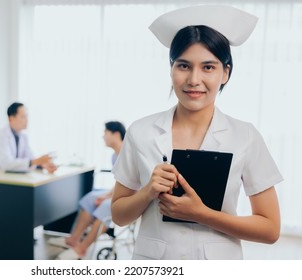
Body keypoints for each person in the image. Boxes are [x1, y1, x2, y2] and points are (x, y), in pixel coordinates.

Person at [111, 5, 283, 260]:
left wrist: (200, 214)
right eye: (183, 66)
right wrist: (147, 191)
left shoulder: (245, 136)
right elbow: (118, 215)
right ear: (171, 70)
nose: (194, 79)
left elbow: (270, 229)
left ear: (225, 73)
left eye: (208, 67)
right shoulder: (141, 131)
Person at [49, 121, 126, 260]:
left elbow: (128, 185)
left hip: (130, 194)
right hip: (119, 190)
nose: (103, 136)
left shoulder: (127, 154)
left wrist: (106, 198)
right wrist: (105, 195)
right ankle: (73, 239)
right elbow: (119, 183)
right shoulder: (115, 156)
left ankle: (81, 249)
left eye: (105, 133)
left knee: (105, 206)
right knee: (90, 198)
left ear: (115, 134)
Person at [0, 102, 57, 173]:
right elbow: (7, 164)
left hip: (9, 177)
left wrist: (42, 164)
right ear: (11, 118)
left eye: (27, 116)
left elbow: (29, 158)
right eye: (23, 117)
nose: (27, 120)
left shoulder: (23, 137)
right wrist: (36, 161)